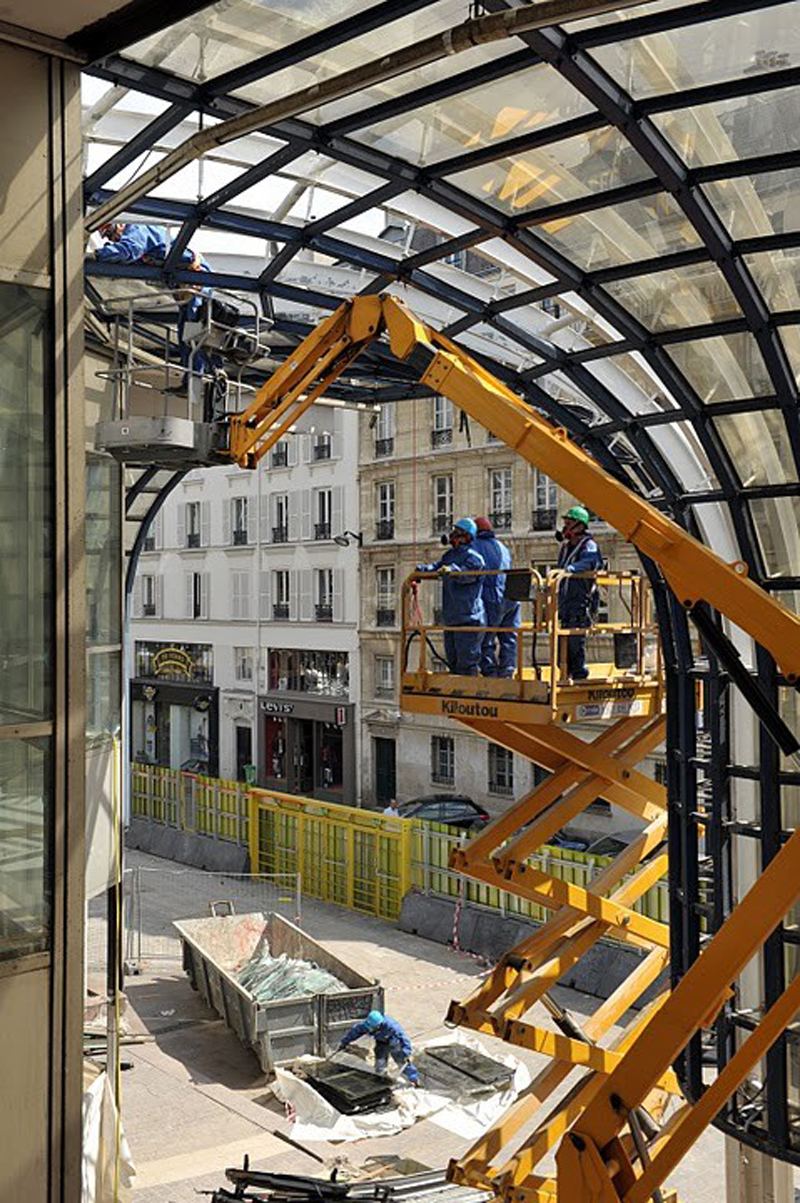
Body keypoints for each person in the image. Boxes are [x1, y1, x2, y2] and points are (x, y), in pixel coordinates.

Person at [93, 221, 216, 396]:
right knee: (185, 334)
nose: (113, 239)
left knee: (193, 328)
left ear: (120, 223)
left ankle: (200, 380)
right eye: (108, 237)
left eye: (111, 233)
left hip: (196, 277)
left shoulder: (136, 229)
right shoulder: (137, 240)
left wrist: (99, 255)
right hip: (184, 284)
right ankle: (191, 384)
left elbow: (130, 250)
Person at [416, 518, 485, 675]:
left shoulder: (474, 558)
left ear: (466, 536)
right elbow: (436, 567)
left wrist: (453, 571)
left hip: (469, 619)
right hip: (452, 619)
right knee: (453, 662)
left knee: (466, 663)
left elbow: (468, 575)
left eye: (457, 532)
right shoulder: (449, 555)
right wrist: (421, 570)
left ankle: (467, 693)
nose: (452, 535)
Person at [555, 505, 603, 681]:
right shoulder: (566, 548)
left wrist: (571, 569)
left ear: (580, 526)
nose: (565, 528)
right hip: (565, 605)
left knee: (575, 647)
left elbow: (591, 562)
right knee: (562, 651)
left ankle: (580, 678)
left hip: (581, 603)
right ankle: (565, 678)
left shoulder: (589, 545)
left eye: (568, 524)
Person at [473, 516, 520, 678]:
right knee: (509, 636)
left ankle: (490, 672)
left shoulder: (473, 546)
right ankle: (508, 671)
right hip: (509, 598)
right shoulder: (502, 547)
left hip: (490, 597)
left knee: (486, 637)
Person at [338, 1010, 420, 1085]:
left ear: (380, 1024)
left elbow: (403, 1038)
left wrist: (406, 1051)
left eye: (373, 1028)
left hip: (393, 1041)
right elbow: (354, 1032)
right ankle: (382, 1078)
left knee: (402, 1060)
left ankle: (414, 1079)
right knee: (380, 1061)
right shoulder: (365, 1025)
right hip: (381, 1042)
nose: (371, 1030)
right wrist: (344, 1042)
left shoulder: (391, 1026)